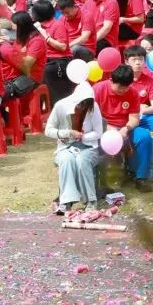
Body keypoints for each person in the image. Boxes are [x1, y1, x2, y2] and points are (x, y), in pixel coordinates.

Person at [46, 82, 104, 212]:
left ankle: (91, 200)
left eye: (88, 103)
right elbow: (48, 130)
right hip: (65, 146)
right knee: (67, 160)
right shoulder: (61, 106)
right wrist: (67, 133)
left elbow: (98, 132)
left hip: (89, 146)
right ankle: (66, 201)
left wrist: (83, 137)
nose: (85, 106)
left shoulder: (94, 106)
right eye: (82, 103)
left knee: (82, 161)